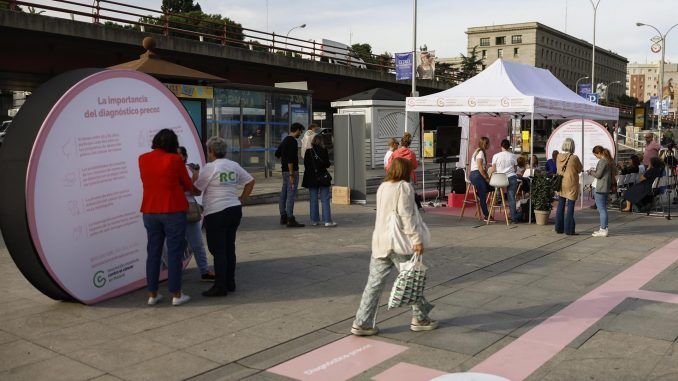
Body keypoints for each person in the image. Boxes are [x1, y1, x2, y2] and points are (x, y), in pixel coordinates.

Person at [351, 158, 437, 336]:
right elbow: (407, 216)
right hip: (397, 243)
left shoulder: (383, 186)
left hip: (380, 242)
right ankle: (420, 319)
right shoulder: (404, 187)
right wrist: (416, 239)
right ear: (405, 171)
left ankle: (362, 322)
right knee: (411, 279)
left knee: (373, 285)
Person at [193, 137, 255, 296]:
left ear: (211, 151)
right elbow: (250, 181)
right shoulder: (233, 165)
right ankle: (230, 282)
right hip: (234, 209)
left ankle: (220, 286)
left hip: (216, 212)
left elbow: (196, 191)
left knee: (218, 250)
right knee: (229, 248)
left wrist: (194, 175)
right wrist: (241, 199)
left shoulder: (210, 167)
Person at [138, 129, 192, 306]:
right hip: (173, 210)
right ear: (173, 144)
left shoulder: (143, 158)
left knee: (153, 252)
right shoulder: (175, 159)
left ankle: (152, 294)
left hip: (150, 211)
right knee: (174, 253)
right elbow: (187, 184)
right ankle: (176, 294)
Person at [178, 146, 215, 282]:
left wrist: (195, 175)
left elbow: (195, 190)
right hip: (174, 210)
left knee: (197, 243)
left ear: (184, 156)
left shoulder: (189, 168)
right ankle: (174, 271)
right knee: (175, 244)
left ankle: (204, 271)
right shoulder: (171, 169)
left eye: (179, 154)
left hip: (189, 210)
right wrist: (194, 178)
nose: (176, 157)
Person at [302, 135, 336, 227]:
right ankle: (327, 221)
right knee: (325, 199)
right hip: (322, 178)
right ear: (321, 142)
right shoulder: (323, 150)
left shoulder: (308, 152)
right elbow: (327, 164)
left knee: (313, 199)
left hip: (311, 179)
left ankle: (314, 220)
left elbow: (306, 165)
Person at [276, 123, 305, 227]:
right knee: (291, 195)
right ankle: (290, 218)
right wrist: (291, 174)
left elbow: (277, 154)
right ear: (297, 130)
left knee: (284, 193)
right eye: (300, 131)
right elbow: (290, 159)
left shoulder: (284, 140)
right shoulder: (292, 142)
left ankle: (283, 216)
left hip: (284, 172)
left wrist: (284, 165)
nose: (300, 134)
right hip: (291, 172)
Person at [554, 138, 583, 235]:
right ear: (572, 146)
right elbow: (580, 169)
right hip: (571, 183)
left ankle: (559, 228)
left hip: (561, 183)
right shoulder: (574, 158)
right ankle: (569, 230)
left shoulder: (558, 156)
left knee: (560, 205)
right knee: (570, 207)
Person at [588, 146, 616, 237]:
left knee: (602, 210)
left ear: (598, 153)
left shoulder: (602, 161)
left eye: (595, 155)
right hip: (605, 187)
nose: (596, 157)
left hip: (600, 187)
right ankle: (603, 228)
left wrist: (590, 172)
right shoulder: (609, 160)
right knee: (603, 209)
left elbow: (598, 175)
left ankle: (603, 229)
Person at [490, 139, 520, 223]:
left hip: (499, 180)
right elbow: (515, 168)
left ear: (501, 146)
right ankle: (514, 217)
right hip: (511, 177)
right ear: (509, 146)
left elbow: (493, 169)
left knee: (496, 188)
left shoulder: (496, 156)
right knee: (511, 198)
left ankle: (498, 197)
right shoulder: (513, 156)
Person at [469, 137, 492, 221]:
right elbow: (479, 167)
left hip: (475, 174)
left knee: (491, 187)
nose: (489, 145)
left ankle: (479, 193)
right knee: (483, 195)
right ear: (485, 144)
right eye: (488, 143)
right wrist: (486, 178)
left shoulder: (478, 151)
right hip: (476, 174)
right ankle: (487, 215)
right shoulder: (481, 152)